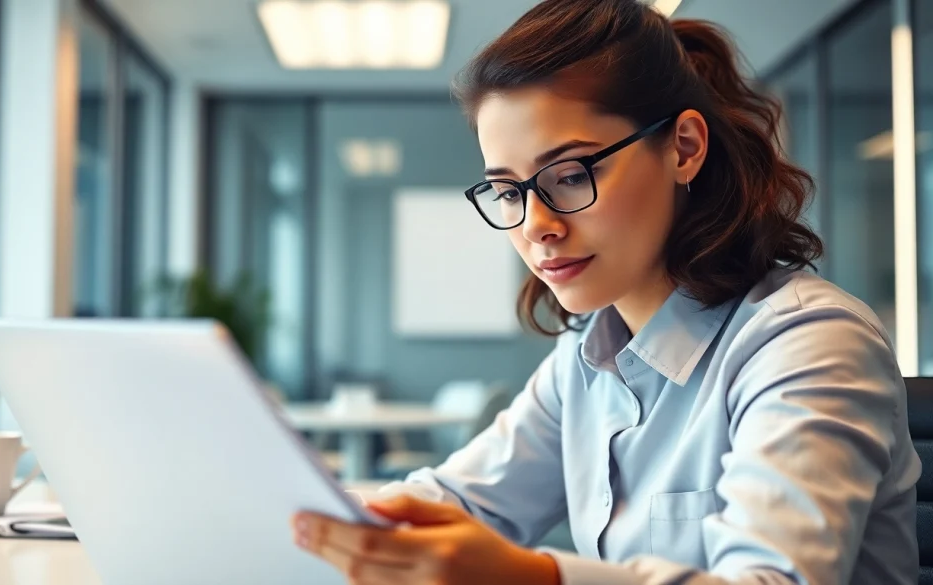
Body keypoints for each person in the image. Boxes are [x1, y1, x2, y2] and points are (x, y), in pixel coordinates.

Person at [290, 0, 921, 583]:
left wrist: (532, 578)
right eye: (509, 192)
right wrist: (283, 510)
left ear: (684, 147)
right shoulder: (588, 359)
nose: (537, 224)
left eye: (568, 174)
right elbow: (458, 500)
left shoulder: (809, 343)